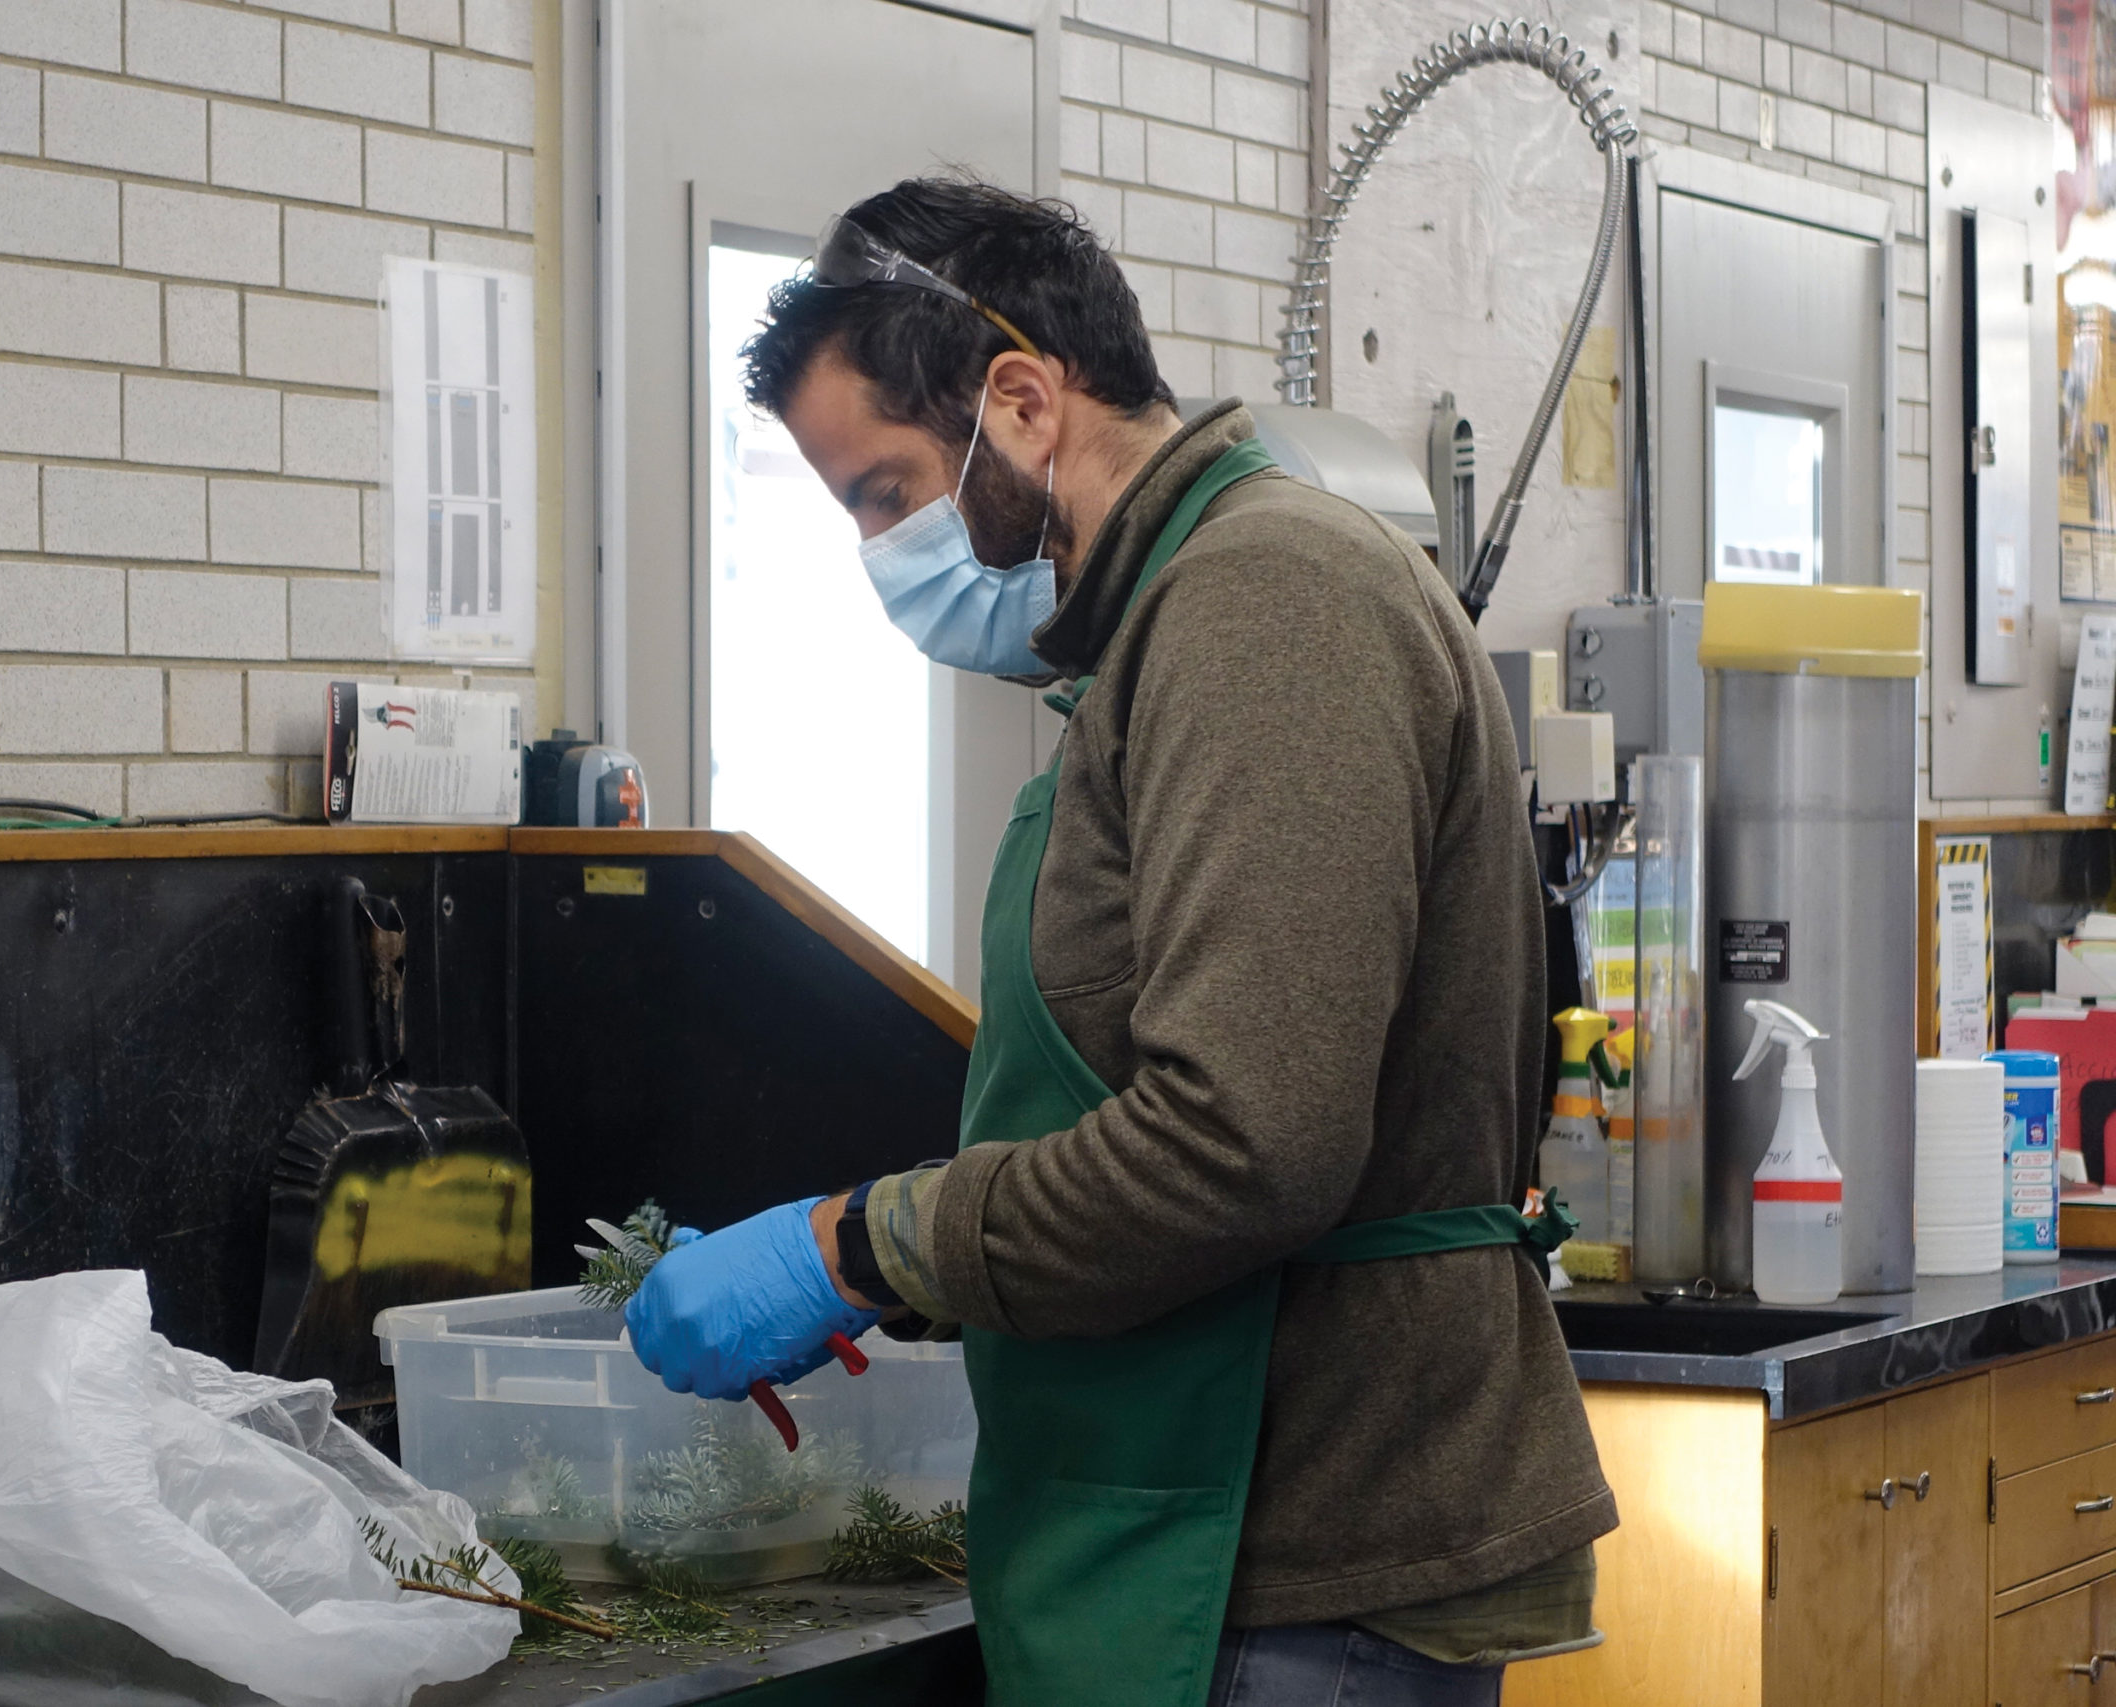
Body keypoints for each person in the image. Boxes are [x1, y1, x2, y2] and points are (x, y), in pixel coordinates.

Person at [622, 175, 1616, 1707]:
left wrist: (857, 1246)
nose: (879, 549)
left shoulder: (1266, 602)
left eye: (884, 493)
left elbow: (1247, 1139)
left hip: (1296, 1545)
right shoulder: (1160, 626)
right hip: (1201, 1518)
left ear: (1021, 400)